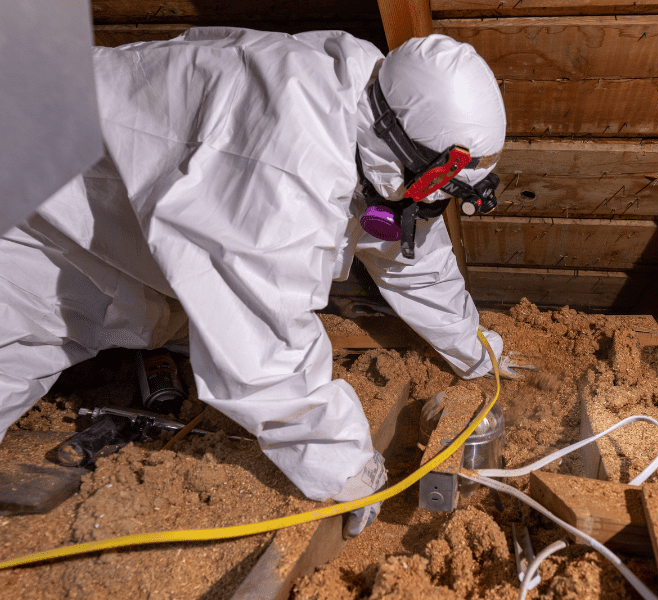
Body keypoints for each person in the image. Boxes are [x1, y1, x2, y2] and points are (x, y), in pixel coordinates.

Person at [0, 28, 528, 538]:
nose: (439, 203)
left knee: (135, 314)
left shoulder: (370, 103)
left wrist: (476, 349)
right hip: (34, 194)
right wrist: (344, 467)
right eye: (441, 189)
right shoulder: (285, 178)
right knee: (24, 342)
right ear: (409, 162)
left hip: (111, 197)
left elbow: (410, 255)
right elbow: (263, 351)